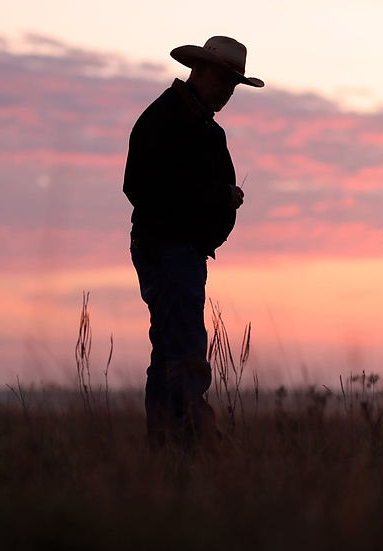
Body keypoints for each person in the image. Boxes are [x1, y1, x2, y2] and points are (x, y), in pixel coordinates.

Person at [123, 36, 264, 447]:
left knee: (169, 348)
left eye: (233, 87)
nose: (227, 93)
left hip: (181, 251)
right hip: (167, 250)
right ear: (199, 71)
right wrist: (218, 198)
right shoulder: (163, 120)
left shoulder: (203, 128)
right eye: (225, 82)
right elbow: (141, 188)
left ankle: (167, 444)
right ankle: (196, 443)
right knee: (183, 348)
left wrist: (223, 199)